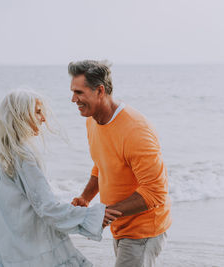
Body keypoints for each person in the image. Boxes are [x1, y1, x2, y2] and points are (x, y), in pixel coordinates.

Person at [0, 90, 122, 267]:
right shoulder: (22, 155)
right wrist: (92, 216)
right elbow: (47, 208)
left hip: (8, 250)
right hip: (29, 253)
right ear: (21, 115)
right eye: (38, 112)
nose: (43, 119)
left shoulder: (1, 150)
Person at [68, 60, 172, 267]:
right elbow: (101, 164)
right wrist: (86, 198)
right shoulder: (92, 120)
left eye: (79, 92)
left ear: (99, 91)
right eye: (73, 92)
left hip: (143, 230)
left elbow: (155, 192)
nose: (73, 99)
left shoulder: (135, 131)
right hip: (121, 226)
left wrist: (104, 215)